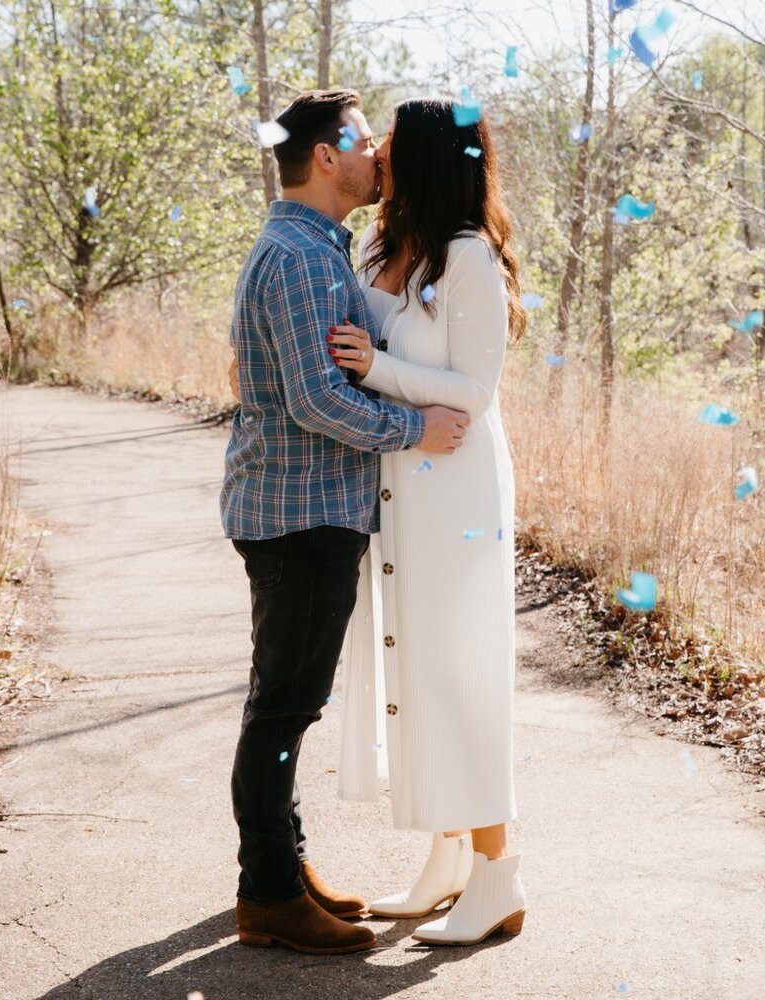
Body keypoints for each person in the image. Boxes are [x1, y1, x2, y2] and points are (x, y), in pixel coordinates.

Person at [221, 88, 471, 956]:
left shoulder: (317, 248)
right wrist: (419, 427)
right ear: (325, 156)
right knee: (284, 709)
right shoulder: (297, 256)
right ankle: (270, 898)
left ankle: (282, 872)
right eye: (364, 141)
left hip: (308, 507)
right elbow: (317, 397)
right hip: (300, 514)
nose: (376, 155)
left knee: (285, 703)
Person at [328, 97, 528, 946]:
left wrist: (378, 368)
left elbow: (475, 394)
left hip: (457, 490)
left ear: (431, 159)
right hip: (401, 479)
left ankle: (499, 877)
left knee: (461, 672)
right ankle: (448, 860)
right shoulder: (384, 245)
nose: (375, 153)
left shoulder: (467, 257)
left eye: (392, 143)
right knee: (419, 667)